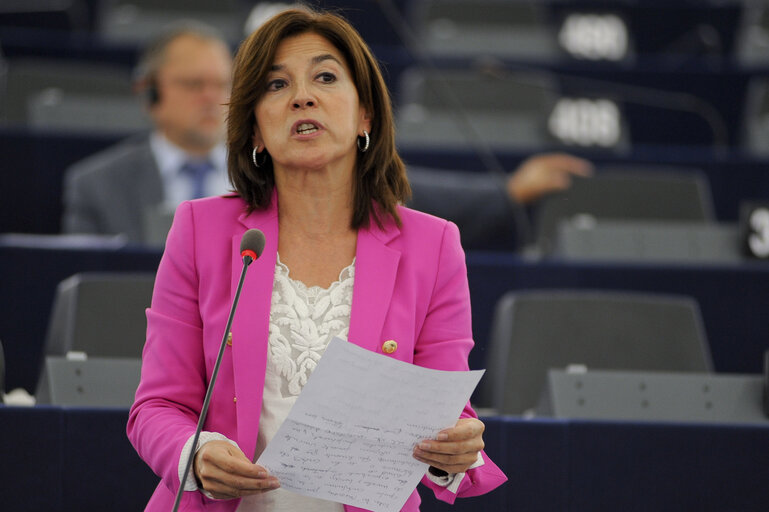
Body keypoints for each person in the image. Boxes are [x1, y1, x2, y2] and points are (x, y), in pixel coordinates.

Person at [127, 7, 507, 511]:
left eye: (325, 77)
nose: (302, 96)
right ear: (256, 130)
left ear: (365, 114)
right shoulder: (201, 230)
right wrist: (195, 452)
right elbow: (157, 406)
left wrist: (455, 447)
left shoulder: (432, 245)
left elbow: (441, 411)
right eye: (276, 86)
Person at [61, 21, 233, 243]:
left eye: (222, 84)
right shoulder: (98, 186)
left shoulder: (271, 177)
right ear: (148, 93)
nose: (212, 97)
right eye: (194, 84)